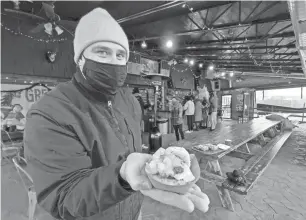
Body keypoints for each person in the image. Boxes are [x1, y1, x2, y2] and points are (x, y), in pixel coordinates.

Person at [23, 8, 207, 220]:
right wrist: (120, 178)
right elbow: (63, 196)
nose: (113, 61)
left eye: (120, 55)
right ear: (80, 59)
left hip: (134, 209)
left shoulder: (130, 101)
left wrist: (156, 172)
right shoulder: (50, 112)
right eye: (102, 52)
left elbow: (134, 155)